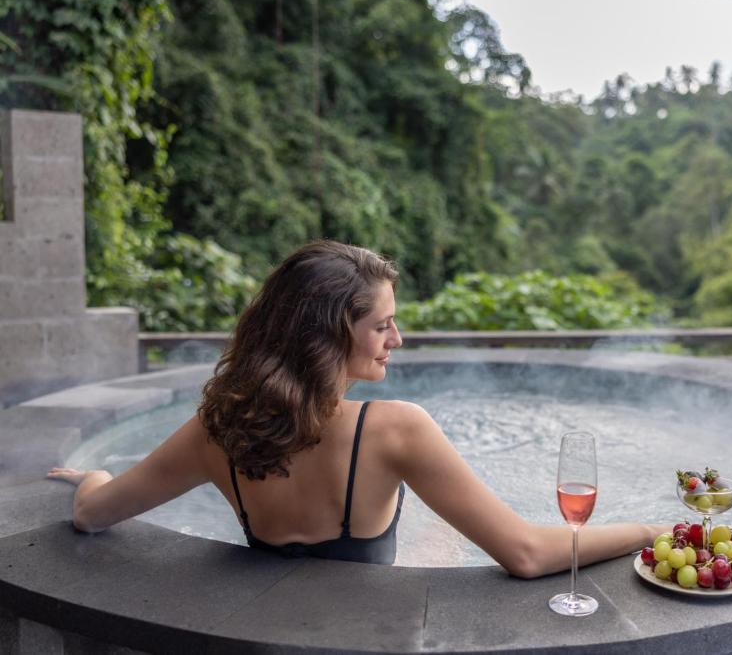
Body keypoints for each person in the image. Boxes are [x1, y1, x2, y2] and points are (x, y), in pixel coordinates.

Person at [48, 241, 669, 577]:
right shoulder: (396, 429)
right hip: (369, 638)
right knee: (435, 530)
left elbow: (91, 514)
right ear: (326, 336)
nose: (397, 339)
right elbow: (528, 554)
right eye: (381, 326)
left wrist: (95, 475)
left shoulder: (218, 430)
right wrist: (648, 531)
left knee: (429, 521)